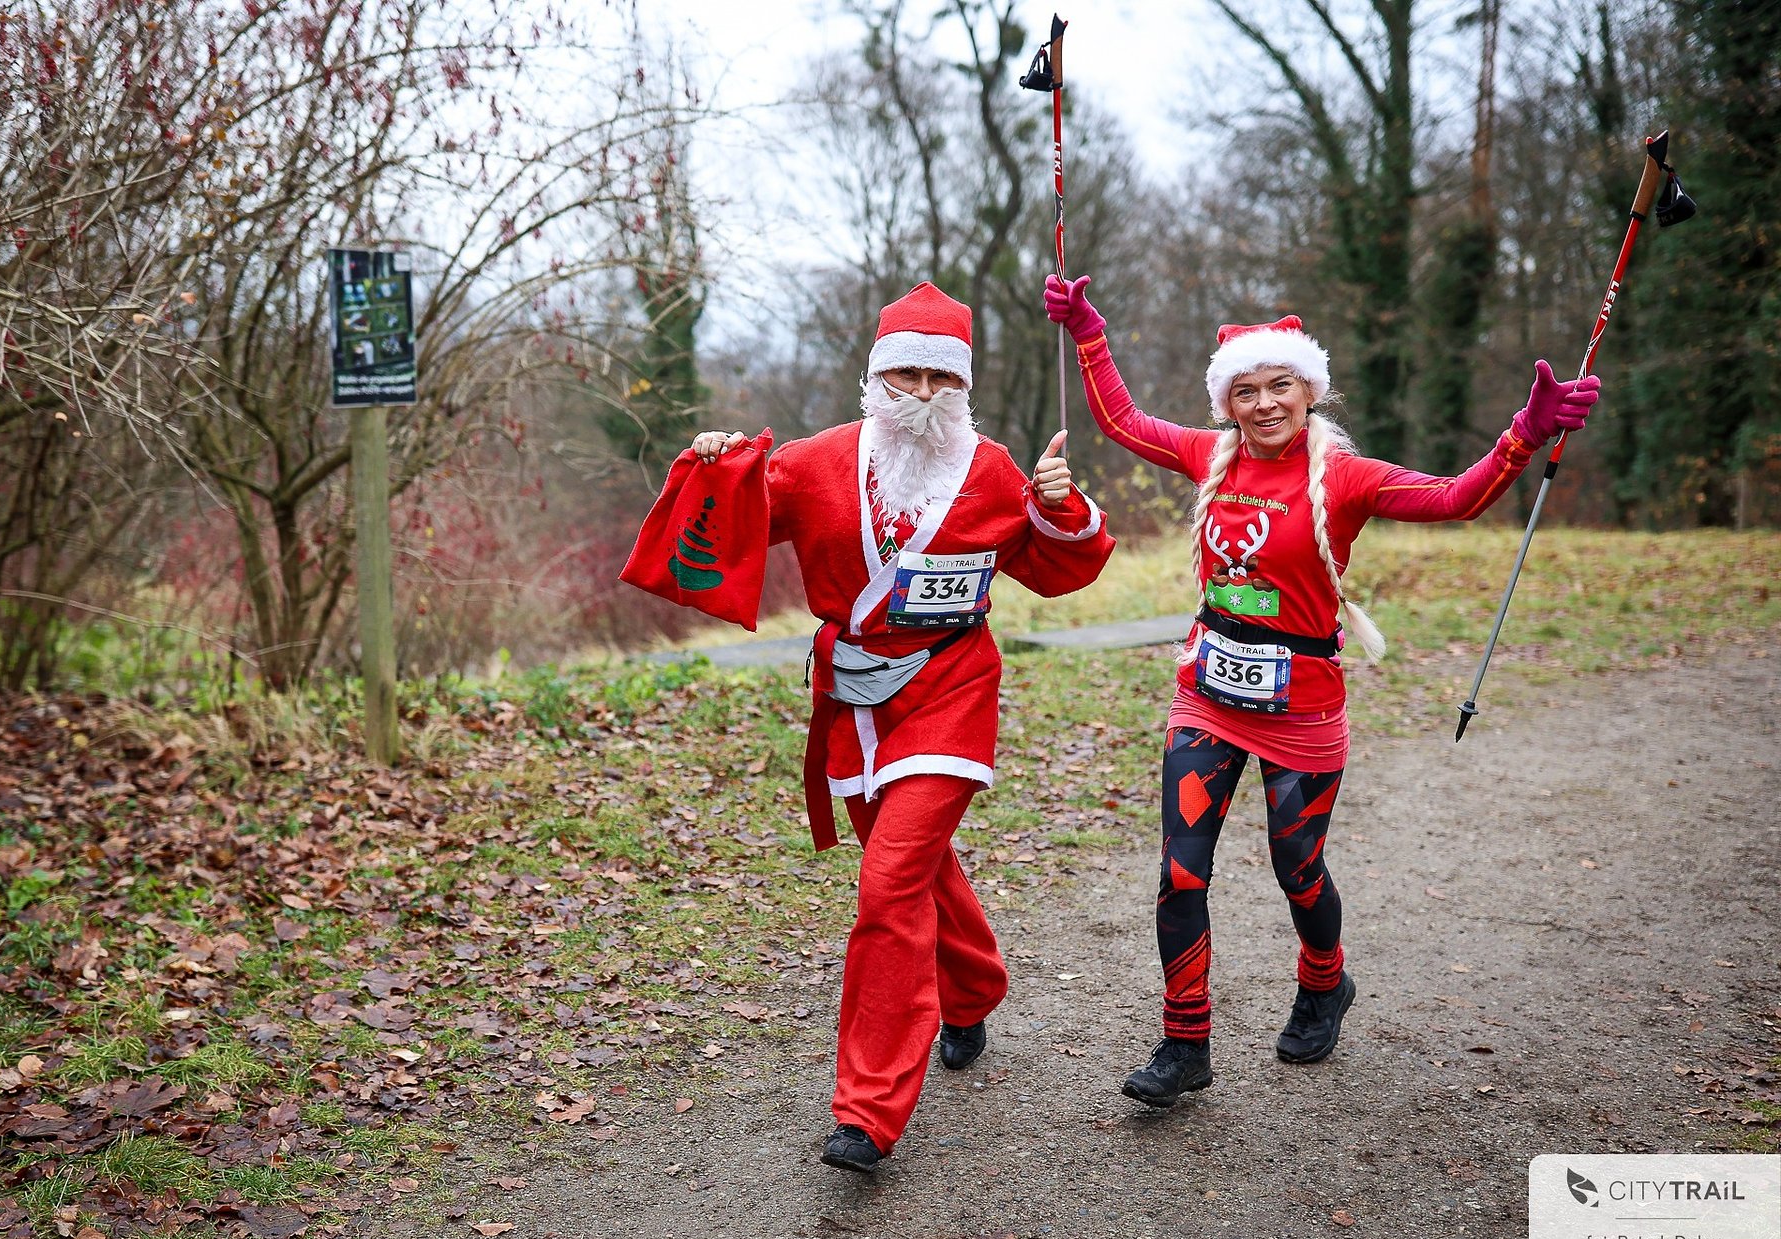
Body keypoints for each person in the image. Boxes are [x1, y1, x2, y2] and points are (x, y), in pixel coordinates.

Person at [1043, 273, 1600, 1107]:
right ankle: (1183, 1041)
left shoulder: (1345, 477)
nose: (1264, 404)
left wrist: (1524, 434)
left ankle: (1322, 980)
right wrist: (1089, 330)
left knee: (1296, 867)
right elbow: (1121, 421)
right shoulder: (1208, 456)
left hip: (1302, 708)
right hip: (1208, 695)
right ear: (1226, 401)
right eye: (1246, 390)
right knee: (1180, 873)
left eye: (1280, 385)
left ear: (1310, 389)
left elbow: (1456, 499)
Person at [685, 282, 1115, 1170]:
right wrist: (716, 460)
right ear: (875, 379)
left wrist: (1062, 506)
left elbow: (1059, 571)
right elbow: (732, 521)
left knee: (887, 883)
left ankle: (867, 1113)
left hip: (952, 694)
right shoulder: (814, 463)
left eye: (939, 378)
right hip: (855, 705)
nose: (922, 393)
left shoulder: (993, 470)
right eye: (906, 374)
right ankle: (974, 984)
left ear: (961, 388)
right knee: (914, 867)